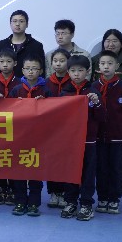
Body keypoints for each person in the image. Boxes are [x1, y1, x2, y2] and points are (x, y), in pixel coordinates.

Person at [91, 29, 122, 193]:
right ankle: (104, 195)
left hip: (119, 123)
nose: (110, 44)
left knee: (118, 163)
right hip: (100, 129)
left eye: (115, 41)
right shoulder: (94, 68)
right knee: (101, 165)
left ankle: (116, 191)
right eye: (107, 40)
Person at [60, 55, 105, 221]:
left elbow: (101, 118)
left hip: (88, 141)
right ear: (68, 72)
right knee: (70, 172)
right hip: (70, 141)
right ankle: (70, 202)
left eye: (80, 70)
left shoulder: (93, 92)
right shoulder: (65, 92)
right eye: (73, 70)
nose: (76, 74)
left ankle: (86, 204)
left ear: (88, 71)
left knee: (88, 174)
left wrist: (97, 103)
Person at [7, 53, 47, 217]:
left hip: (39, 138)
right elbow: (7, 111)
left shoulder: (46, 90)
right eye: (27, 68)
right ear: (22, 70)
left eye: (34, 69)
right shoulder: (16, 89)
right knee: (19, 171)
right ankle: (20, 201)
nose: (31, 71)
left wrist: (44, 104)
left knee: (36, 172)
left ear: (41, 71)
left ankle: (34, 203)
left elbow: (55, 112)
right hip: (19, 138)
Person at [0, 48, 18, 206]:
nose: (5, 65)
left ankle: (13, 190)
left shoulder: (20, 82)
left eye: (9, 62)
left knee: (13, 158)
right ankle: (1, 190)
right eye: (2, 62)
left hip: (15, 127)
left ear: (15, 63)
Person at [44, 48, 71, 209]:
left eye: (62, 61)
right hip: (51, 129)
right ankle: (54, 192)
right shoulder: (46, 82)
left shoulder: (73, 81)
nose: (58, 64)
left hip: (68, 129)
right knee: (52, 161)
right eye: (55, 61)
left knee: (66, 161)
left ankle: (66, 193)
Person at [0, 10, 45, 79]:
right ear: (10, 24)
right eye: (14, 21)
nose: (17, 24)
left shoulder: (36, 46)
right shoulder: (0, 45)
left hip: (29, 84)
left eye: (21, 21)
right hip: (4, 84)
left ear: (27, 24)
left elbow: (41, 70)